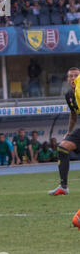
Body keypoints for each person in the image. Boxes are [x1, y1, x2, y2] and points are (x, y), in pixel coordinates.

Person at [49, 67, 80, 195]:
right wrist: (68, 131)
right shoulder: (69, 95)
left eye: (76, 75)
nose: (73, 78)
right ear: (67, 79)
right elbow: (73, 114)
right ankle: (63, 186)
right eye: (70, 76)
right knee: (63, 147)